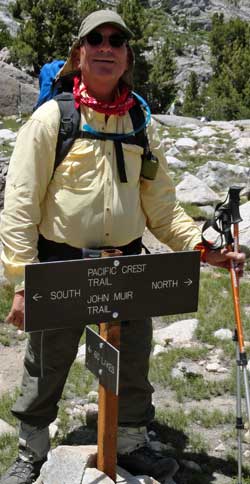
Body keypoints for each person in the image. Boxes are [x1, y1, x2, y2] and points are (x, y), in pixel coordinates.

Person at [0, 9, 245, 484]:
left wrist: (200, 247)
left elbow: (161, 205)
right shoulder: (54, 118)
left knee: (132, 353)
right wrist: (21, 281)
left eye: (117, 40)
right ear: (81, 53)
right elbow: (21, 204)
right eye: (96, 40)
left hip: (127, 262)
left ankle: (130, 440)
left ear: (128, 56)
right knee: (47, 360)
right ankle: (32, 448)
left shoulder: (139, 122)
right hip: (60, 262)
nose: (106, 47)